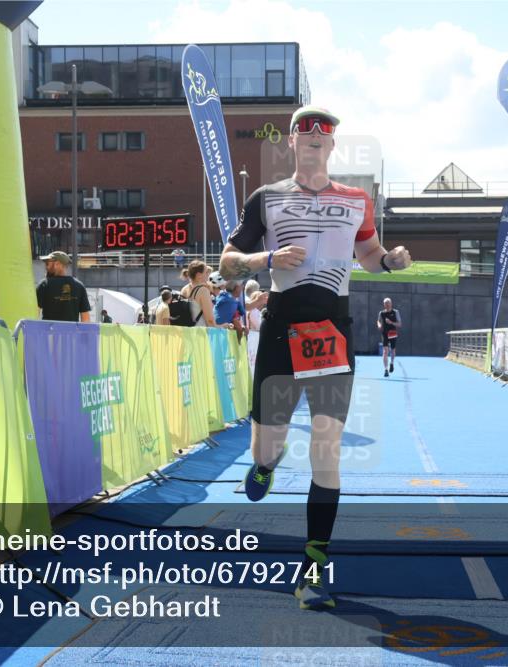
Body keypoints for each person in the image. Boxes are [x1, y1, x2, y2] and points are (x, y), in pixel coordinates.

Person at [219, 104, 411, 610]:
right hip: (281, 330)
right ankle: (266, 464)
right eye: (305, 135)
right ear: (291, 143)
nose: (313, 141)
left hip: (332, 333)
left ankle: (313, 568)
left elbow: (370, 257)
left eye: (322, 137)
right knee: (267, 447)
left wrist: (389, 261)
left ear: (331, 146)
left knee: (326, 448)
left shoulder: (356, 200)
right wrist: (266, 259)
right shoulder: (267, 198)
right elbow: (226, 262)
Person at [36, 250, 91, 322]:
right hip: (71, 333)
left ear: (57, 264)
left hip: (50, 333)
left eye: (47, 264)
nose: (46, 267)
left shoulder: (44, 284)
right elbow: (86, 319)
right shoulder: (79, 286)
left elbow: (34, 315)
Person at [179, 260, 216, 327]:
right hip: (200, 333)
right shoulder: (203, 291)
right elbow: (210, 321)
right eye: (206, 272)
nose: (208, 274)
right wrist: (223, 326)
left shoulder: (184, 289)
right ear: (199, 275)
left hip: (186, 332)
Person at [377, 297, 401, 377]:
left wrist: (391, 322)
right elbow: (378, 321)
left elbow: (399, 324)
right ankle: (386, 369)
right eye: (386, 304)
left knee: (393, 350)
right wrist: (379, 325)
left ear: (391, 304)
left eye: (388, 303)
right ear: (384, 305)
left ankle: (392, 363)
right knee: (385, 351)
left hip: (392, 332)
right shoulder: (381, 313)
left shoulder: (395, 312)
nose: (387, 305)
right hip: (385, 333)